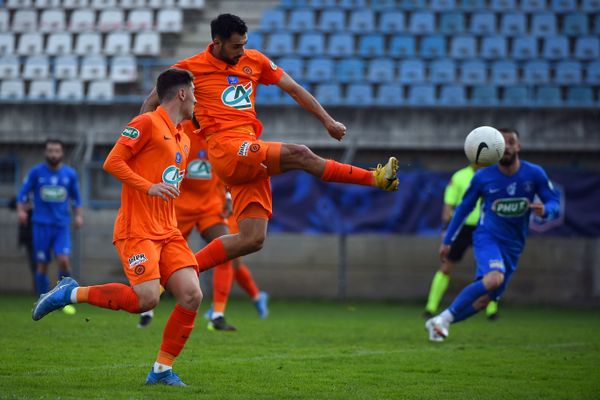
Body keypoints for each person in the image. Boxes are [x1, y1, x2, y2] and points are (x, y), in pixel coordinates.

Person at [140, 13, 399, 275]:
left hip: (248, 151)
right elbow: (152, 102)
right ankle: (375, 178)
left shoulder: (255, 60)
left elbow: (294, 88)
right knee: (300, 154)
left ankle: (179, 273)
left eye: (244, 44)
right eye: (236, 46)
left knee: (252, 239)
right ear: (216, 42)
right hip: (226, 149)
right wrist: (140, 144)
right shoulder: (188, 70)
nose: (242, 51)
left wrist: (328, 121)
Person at [32, 68, 201, 387]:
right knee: (146, 300)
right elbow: (112, 162)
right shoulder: (146, 122)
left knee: (192, 294)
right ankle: (71, 292)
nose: (196, 98)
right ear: (181, 94)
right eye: (193, 91)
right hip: (138, 229)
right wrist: (149, 187)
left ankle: (162, 370)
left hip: (169, 230)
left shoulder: (183, 137)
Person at [425, 128, 560, 342]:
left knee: (484, 300)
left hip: (514, 245)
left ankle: (441, 321)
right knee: (494, 277)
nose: (506, 146)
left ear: (518, 146)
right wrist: (448, 239)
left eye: (511, 142)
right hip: (487, 237)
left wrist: (547, 210)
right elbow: (462, 209)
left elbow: (554, 201)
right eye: (502, 142)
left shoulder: (534, 173)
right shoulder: (483, 177)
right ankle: (438, 316)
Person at [138, 119, 268, 332]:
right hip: (181, 205)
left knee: (228, 252)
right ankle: (148, 305)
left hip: (211, 205)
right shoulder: (180, 130)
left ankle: (217, 314)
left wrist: (227, 194)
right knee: (162, 254)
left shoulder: (221, 129)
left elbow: (230, 164)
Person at [423, 164, 499, 321]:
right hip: (461, 228)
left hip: (484, 228)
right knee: (446, 266)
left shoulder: (494, 175)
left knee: (492, 269)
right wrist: (446, 228)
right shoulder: (459, 177)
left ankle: (491, 310)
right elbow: (448, 204)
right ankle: (430, 308)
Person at [16, 139, 83, 314]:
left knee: (64, 261)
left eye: (57, 151)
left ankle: (65, 298)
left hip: (61, 226)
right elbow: (22, 195)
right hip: (40, 225)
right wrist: (21, 212)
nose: (53, 154)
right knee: (42, 265)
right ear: (46, 153)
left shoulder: (69, 174)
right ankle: (42, 301)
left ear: (61, 153)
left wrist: (78, 215)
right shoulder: (36, 173)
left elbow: (76, 198)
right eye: (50, 151)